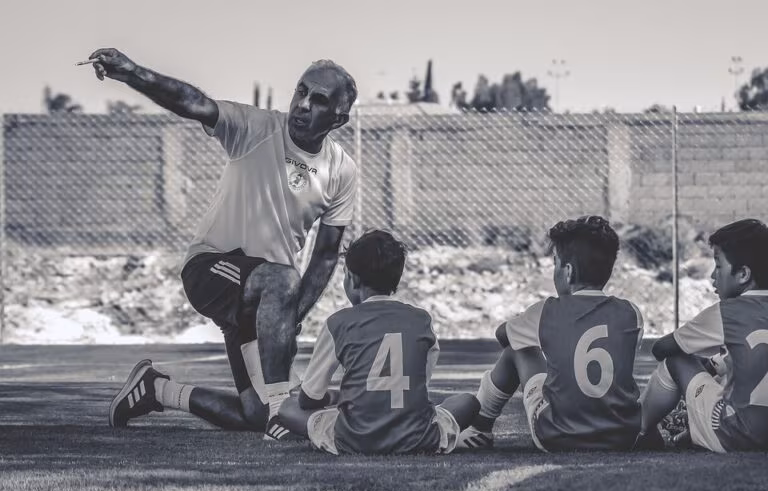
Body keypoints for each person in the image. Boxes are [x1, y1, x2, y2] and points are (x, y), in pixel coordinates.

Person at [95, 48, 359, 440]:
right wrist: (132, 73)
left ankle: (157, 389)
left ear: (338, 118)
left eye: (318, 99)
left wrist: (291, 315)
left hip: (265, 299)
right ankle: (279, 412)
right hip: (211, 267)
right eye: (301, 90)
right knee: (283, 288)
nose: (302, 104)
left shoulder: (342, 170)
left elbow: (324, 256)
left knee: (251, 413)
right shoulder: (256, 128)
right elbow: (194, 103)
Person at [277, 230, 479, 455]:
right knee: (467, 401)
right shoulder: (422, 319)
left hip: (355, 438)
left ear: (352, 279)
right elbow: (417, 387)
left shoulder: (338, 323)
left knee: (286, 408)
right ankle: (455, 436)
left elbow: (308, 400)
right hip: (418, 437)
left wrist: (335, 397)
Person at [457, 216, 645, 452]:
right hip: (622, 437)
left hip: (557, 436)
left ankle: (479, 430)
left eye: (555, 263)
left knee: (518, 350)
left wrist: (539, 338)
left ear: (567, 271)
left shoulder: (545, 312)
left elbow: (502, 334)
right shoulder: (632, 313)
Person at [638, 219, 768, 452]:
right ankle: (685, 436)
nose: (713, 276)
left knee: (676, 361)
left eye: (718, 266)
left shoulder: (728, 312)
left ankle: (641, 432)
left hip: (739, 438)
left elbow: (661, 349)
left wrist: (698, 355)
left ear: (742, 274)